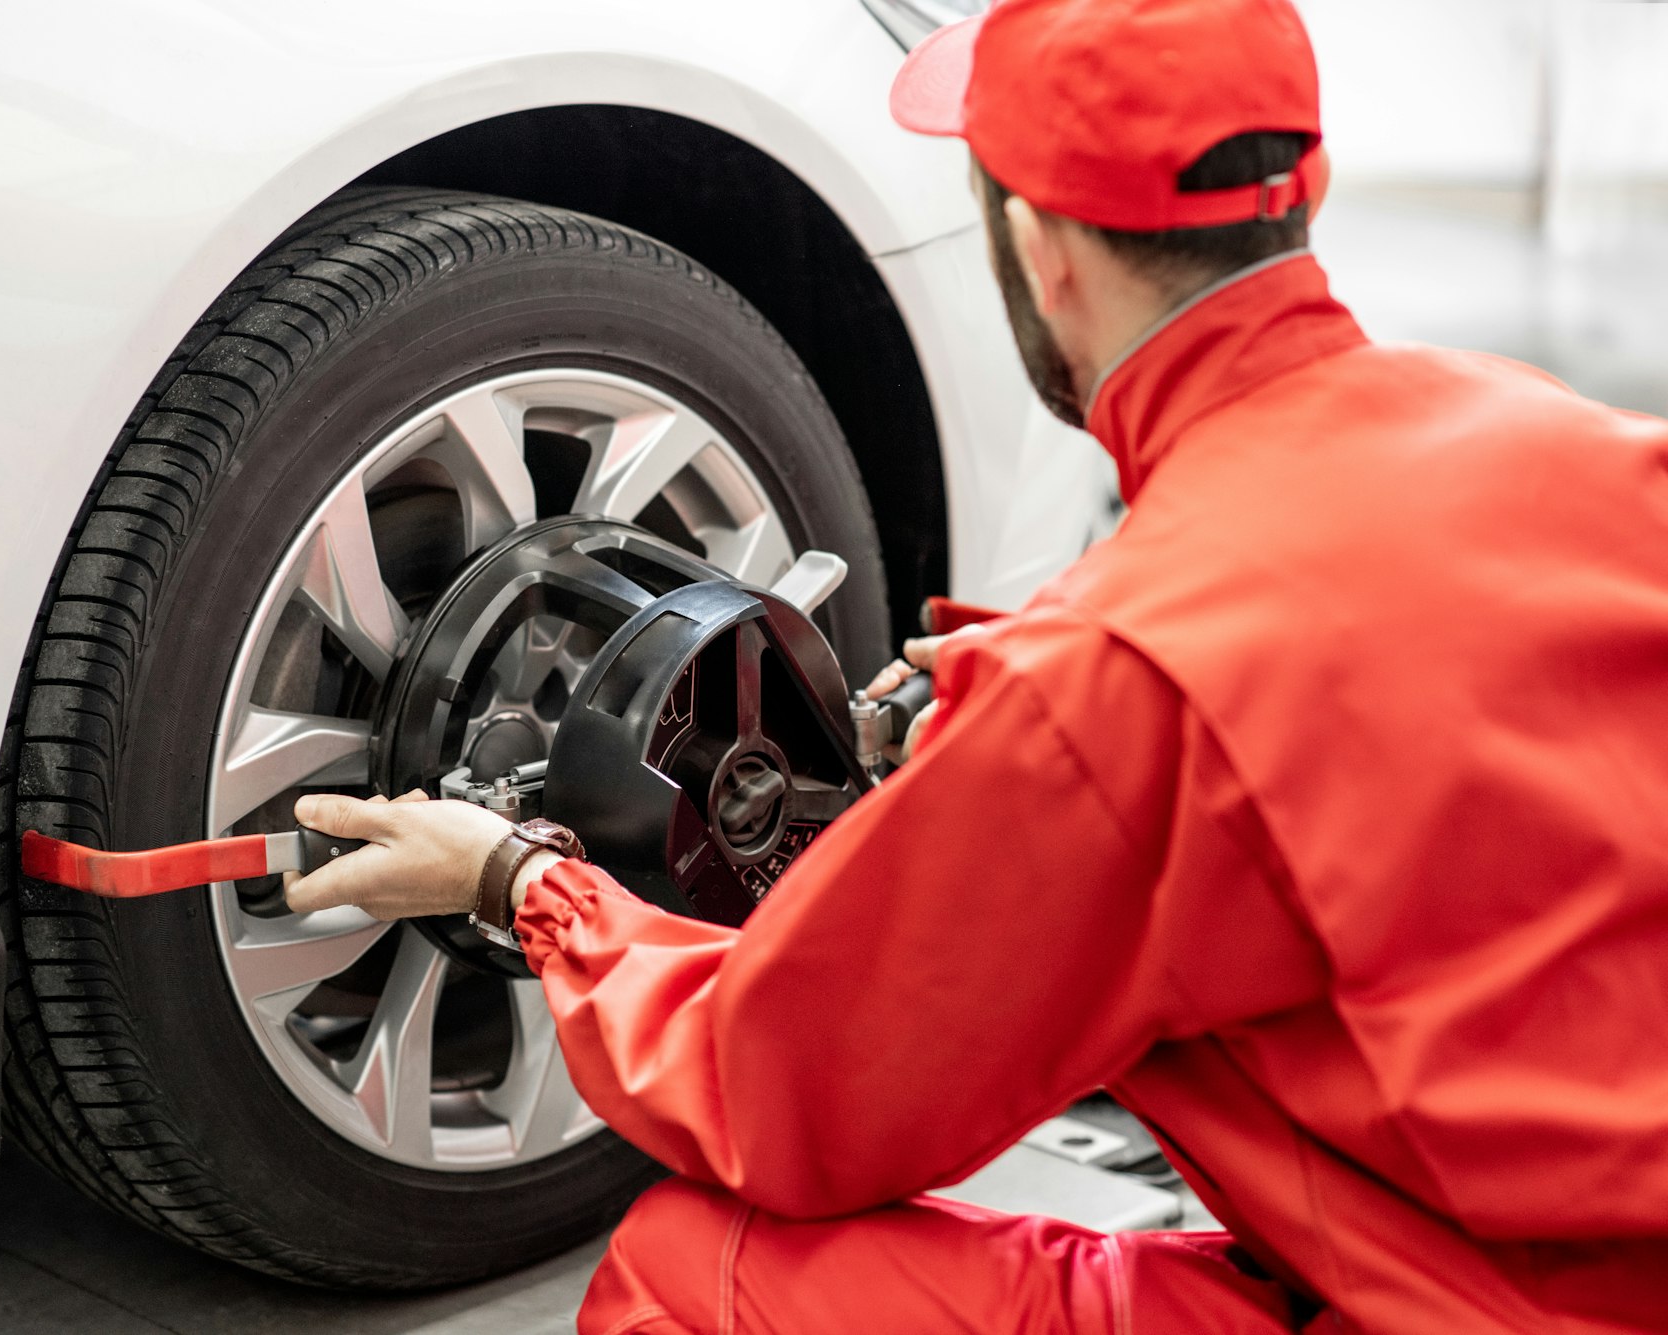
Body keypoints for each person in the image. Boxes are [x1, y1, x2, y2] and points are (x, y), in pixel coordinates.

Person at [283, 0, 1668, 1329]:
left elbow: (782, 1101)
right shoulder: (1592, 453)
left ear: (1035, 245)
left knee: (698, 1271)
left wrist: (522, 881)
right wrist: (1027, 715)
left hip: (1488, 1309)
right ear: (1307, 183)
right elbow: (1389, 686)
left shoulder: (1117, 680)